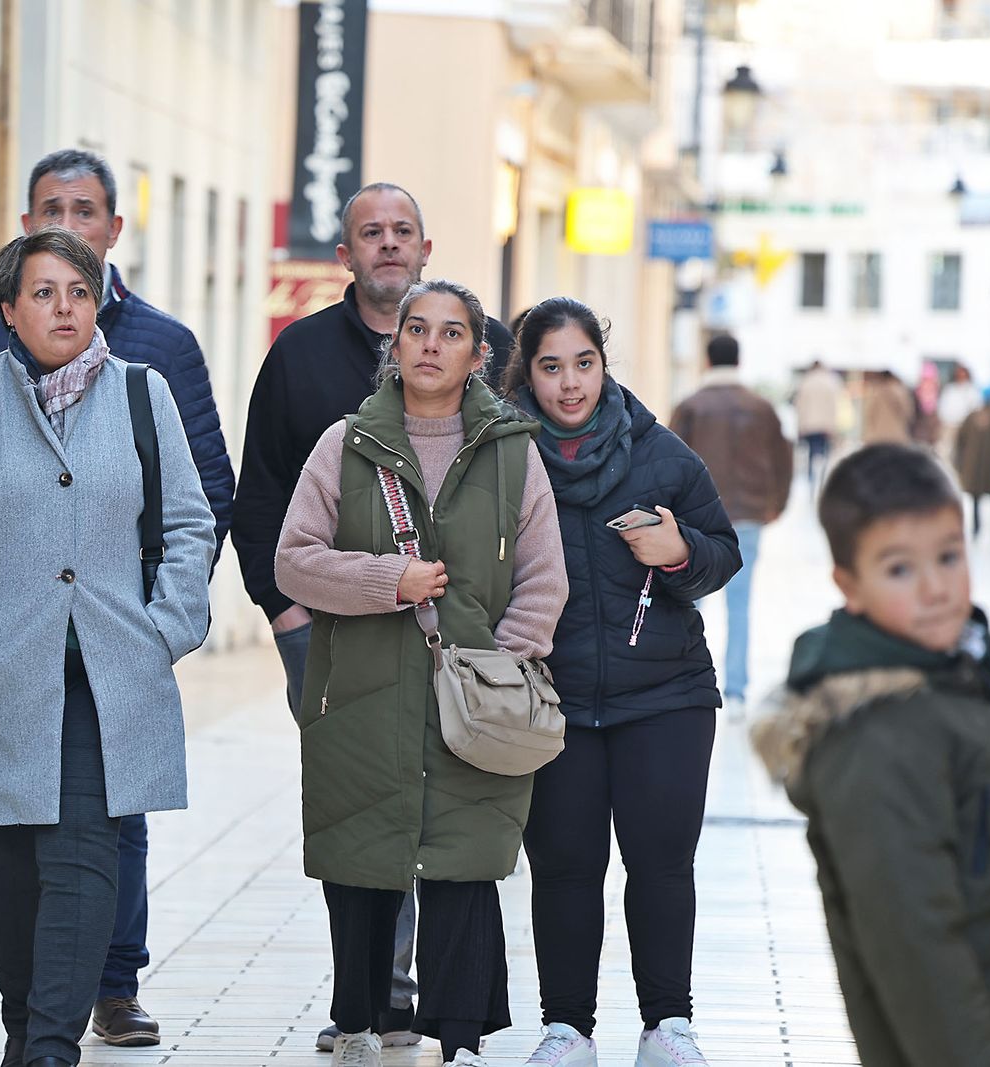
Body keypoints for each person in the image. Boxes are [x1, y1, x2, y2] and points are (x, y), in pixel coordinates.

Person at [0, 149, 233, 1059]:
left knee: (83, 855)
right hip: (5, 666)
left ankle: (46, 1045)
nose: (64, 307)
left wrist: (168, 626)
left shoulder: (144, 391)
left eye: (78, 290)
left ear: (99, 295)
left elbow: (192, 520)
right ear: (10, 309)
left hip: (110, 666)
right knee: (6, 864)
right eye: (43, 292)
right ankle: (26, 1016)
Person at [231, 181, 513, 1049]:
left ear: (426, 248)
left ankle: (438, 999)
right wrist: (284, 615)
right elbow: (261, 492)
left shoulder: (480, 344)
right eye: (370, 234)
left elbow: (523, 475)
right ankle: (377, 991)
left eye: (403, 232)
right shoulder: (300, 355)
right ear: (345, 254)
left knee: (449, 806)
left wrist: (514, 641)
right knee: (361, 809)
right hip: (332, 631)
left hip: (459, 641)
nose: (388, 245)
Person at [750, 443, 990, 1067]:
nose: (935, 588)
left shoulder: (960, 678)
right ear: (849, 586)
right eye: (899, 569)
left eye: (949, 557)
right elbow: (919, 955)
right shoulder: (876, 737)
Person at [275, 279, 567, 1067]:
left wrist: (501, 662)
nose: (431, 344)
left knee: (465, 862)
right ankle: (360, 1024)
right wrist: (385, 581)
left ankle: (461, 1037)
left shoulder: (512, 451)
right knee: (363, 858)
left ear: (479, 353)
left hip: (476, 698)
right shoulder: (345, 443)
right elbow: (293, 561)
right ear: (395, 345)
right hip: (363, 690)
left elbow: (545, 574)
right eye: (417, 329)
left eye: (451, 332)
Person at [504, 298, 740, 1067]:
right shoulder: (506, 455)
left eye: (583, 363)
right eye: (550, 367)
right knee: (566, 866)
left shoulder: (660, 453)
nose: (569, 384)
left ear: (603, 365)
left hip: (666, 694)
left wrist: (678, 552)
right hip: (553, 697)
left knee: (662, 863)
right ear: (527, 374)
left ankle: (667, 1024)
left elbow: (722, 551)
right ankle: (567, 1028)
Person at [670, 332, 788, 720]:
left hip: (697, 521)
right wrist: (775, 506)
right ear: (738, 361)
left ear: (707, 360)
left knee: (689, 602)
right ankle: (735, 691)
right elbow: (784, 460)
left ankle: (683, 678)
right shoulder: (761, 408)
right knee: (741, 605)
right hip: (749, 516)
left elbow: (666, 462)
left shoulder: (691, 406)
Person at [954, 386, 990, 541]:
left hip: (972, 466)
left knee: (975, 499)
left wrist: (960, 463)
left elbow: (959, 441)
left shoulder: (973, 416)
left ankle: (976, 528)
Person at [793, 360, 841, 488]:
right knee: (823, 456)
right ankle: (821, 482)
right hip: (825, 425)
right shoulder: (830, 382)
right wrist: (834, 427)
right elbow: (834, 407)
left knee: (811, 455)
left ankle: (811, 484)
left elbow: (800, 406)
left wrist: (800, 427)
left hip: (809, 425)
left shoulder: (806, 382)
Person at [934, 363, 982, 464]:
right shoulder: (950, 390)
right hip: (950, 425)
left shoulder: (972, 391)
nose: (961, 376)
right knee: (945, 453)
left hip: (966, 427)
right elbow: (942, 408)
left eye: (963, 374)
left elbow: (977, 409)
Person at [860, 370, 914, 445]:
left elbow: (869, 413)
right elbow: (909, 414)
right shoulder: (900, 391)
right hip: (897, 438)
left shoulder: (876, 391)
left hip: (877, 438)